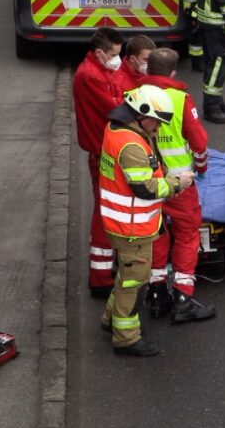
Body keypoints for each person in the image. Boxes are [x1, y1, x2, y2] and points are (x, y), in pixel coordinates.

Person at [99, 85, 196, 357]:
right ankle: (126, 338)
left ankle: (110, 320)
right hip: (132, 227)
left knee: (126, 276)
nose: (157, 128)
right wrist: (177, 183)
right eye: (155, 121)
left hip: (123, 223)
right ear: (140, 114)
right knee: (134, 283)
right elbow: (144, 188)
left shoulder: (117, 129)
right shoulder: (131, 144)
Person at [139, 48, 216, 324]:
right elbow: (199, 142)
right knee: (186, 235)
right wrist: (202, 167)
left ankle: (157, 293)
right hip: (179, 183)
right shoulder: (180, 99)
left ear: (147, 69)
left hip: (147, 183)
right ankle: (183, 297)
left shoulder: (134, 95)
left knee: (156, 233)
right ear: (173, 73)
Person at [72, 27, 125, 297]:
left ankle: (104, 269)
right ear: (100, 52)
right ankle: (101, 277)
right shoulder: (91, 76)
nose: (118, 59)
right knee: (106, 214)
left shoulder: (99, 70)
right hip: (103, 152)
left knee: (107, 211)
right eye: (115, 54)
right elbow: (115, 108)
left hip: (104, 149)